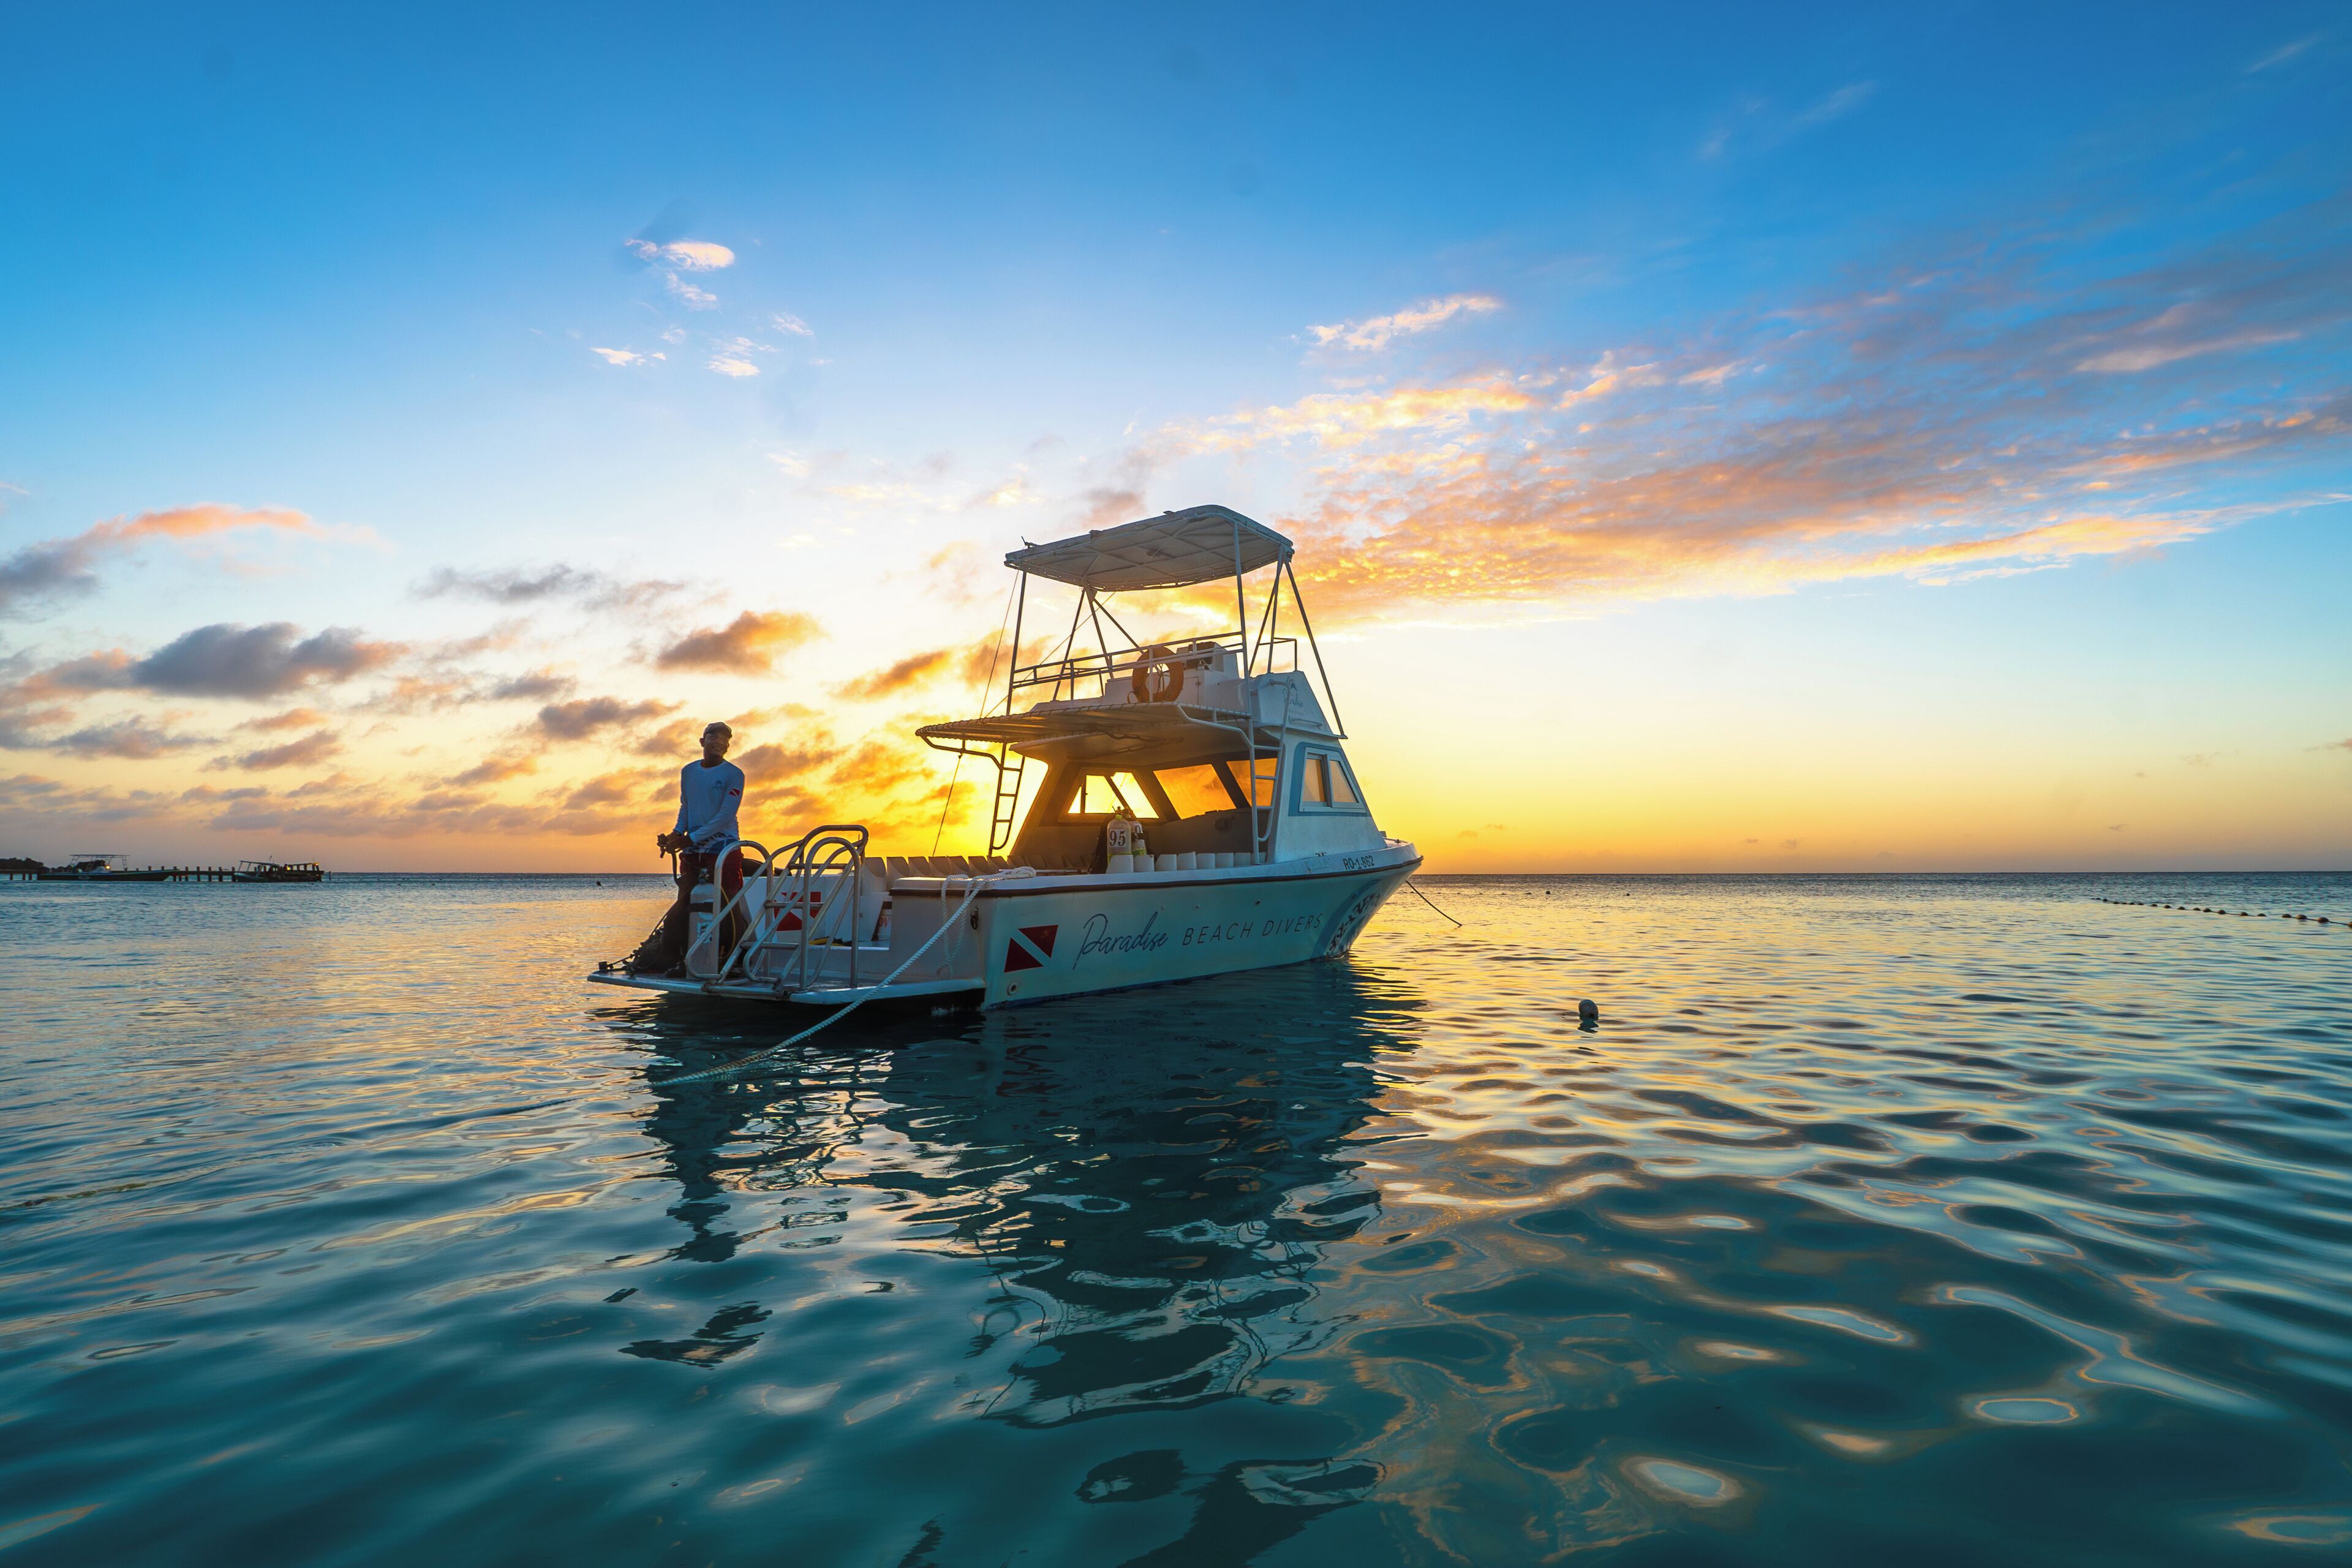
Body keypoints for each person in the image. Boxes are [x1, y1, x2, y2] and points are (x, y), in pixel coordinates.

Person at [656, 721, 747, 971]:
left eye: (725, 740)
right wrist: (676, 834)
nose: (719, 743)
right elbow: (686, 807)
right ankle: (681, 959)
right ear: (702, 741)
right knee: (684, 904)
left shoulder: (734, 774)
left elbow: (726, 816)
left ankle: (735, 960)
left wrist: (691, 838)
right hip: (694, 851)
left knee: (728, 904)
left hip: (723, 847)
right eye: (713, 737)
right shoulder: (689, 771)